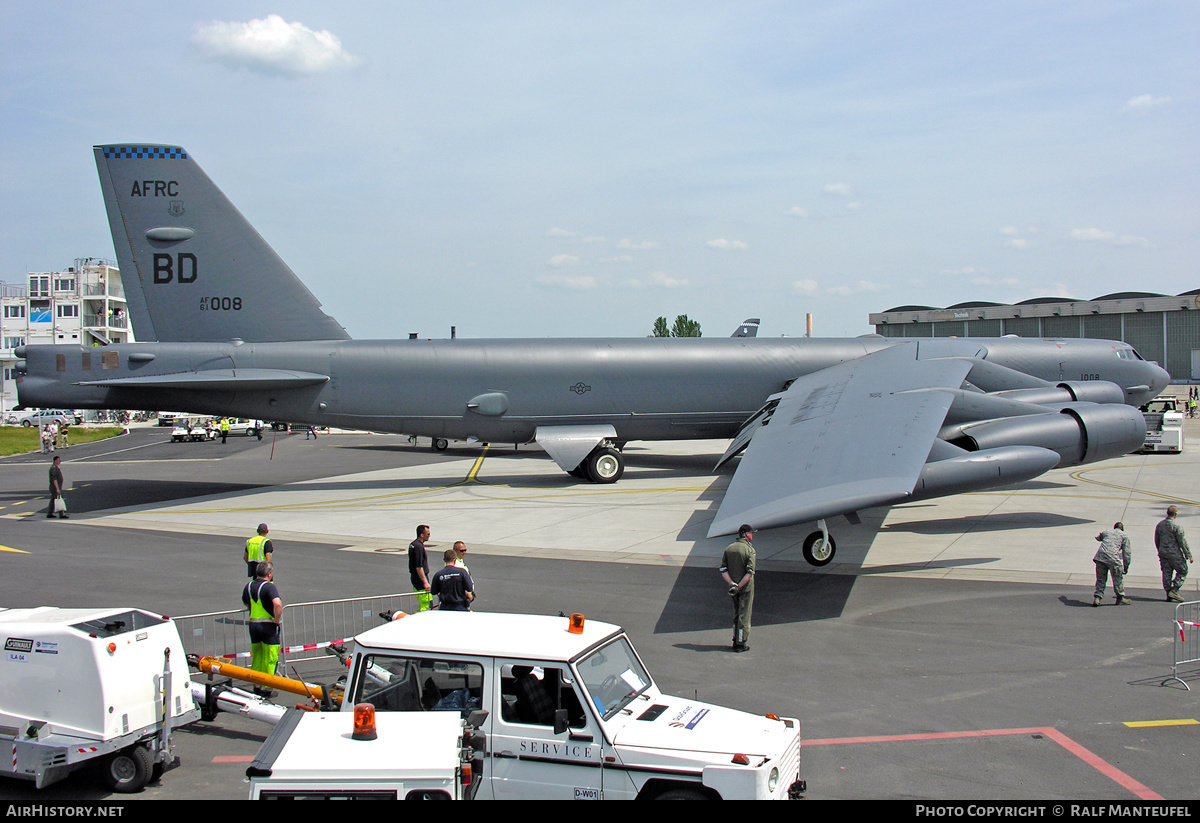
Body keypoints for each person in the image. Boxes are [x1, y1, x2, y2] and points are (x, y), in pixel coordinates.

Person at [241, 561, 283, 685]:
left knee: (257, 657)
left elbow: (245, 602)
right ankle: (267, 686)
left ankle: (256, 685)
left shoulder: (248, 586)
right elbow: (277, 604)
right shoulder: (269, 587)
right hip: (267, 626)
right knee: (270, 658)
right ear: (269, 574)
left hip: (253, 625)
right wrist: (276, 619)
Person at [719, 524, 755, 652]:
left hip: (733, 589)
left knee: (736, 613)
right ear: (746, 534)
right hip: (745, 589)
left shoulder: (729, 549)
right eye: (751, 533)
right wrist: (740, 585)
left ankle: (735, 639)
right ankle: (741, 643)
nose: (752, 535)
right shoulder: (749, 550)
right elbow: (750, 573)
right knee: (744, 615)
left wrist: (732, 584)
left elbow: (723, 569)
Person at [1155, 505, 1193, 602]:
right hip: (1174, 553)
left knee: (1166, 573)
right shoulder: (1176, 526)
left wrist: (1160, 550)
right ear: (1175, 514)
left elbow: (1157, 540)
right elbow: (1182, 542)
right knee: (1183, 570)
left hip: (1163, 552)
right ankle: (1174, 590)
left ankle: (1168, 593)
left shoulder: (1160, 525)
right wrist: (1188, 555)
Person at [1093, 522, 1131, 606]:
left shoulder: (1107, 532)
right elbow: (1126, 553)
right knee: (1117, 578)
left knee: (1101, 579)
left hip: (1100, 557)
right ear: (1122, 529)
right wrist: (1126, 566)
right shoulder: (1124, 536)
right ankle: (1120, 597)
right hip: (1113, 558)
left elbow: (1098, 538)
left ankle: (1097, 597)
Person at [409, 524, 433, 612]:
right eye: (428, 534)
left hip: (416, 578)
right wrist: (425, 582)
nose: (429, 536)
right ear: (421, 535)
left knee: (426, 603)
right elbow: (419, 567)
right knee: (426, 604)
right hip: (420, 579)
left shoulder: (413, 545)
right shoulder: (418, 547)